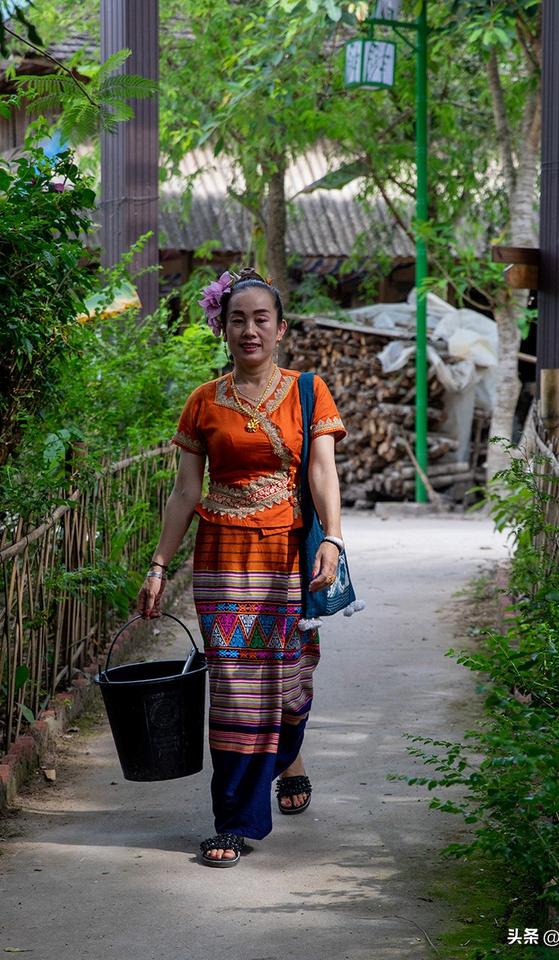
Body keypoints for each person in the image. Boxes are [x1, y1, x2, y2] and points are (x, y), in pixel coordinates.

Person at [137, 267, 347, 868]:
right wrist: (158, 564)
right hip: (222, 561)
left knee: (286, 683)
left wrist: (331, 538)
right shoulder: (203, 401)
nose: (249, 329)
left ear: (280, 330)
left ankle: (289, 757)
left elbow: (323, 472)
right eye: (238, 320)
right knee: (234, 688)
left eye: (261, 319)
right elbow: (184, 493)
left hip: (287, 557)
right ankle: (235, 820)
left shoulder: (310, 390)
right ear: (223, 329)